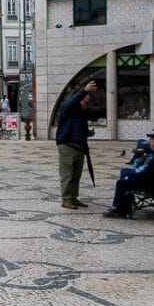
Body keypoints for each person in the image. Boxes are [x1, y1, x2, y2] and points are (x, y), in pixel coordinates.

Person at [105, 128, 154, 218]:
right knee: (125, 174)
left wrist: (132, 176)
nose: (150, 142)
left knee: (121, 183)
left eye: (151, 140)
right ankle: (124, 206)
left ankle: (118, 209)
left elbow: (145, 175)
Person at [55, 80, 99, 209]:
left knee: (76, 175)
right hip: (67, 146)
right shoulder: (66, 107)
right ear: (79, 100)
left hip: (79, 147)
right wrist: (84, 91)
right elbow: (72, 102)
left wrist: (87, 133)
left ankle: (73, 197)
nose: (87, 105)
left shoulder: (81, 114)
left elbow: (78, 129)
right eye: (86, 102)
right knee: (67, 175)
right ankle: (66, 199)